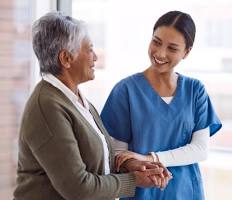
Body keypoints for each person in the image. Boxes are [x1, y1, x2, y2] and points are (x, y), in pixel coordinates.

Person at [13, 11, 172, 200]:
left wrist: (127, 165)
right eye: (89, 49)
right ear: (66, 59)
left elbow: (95, 158)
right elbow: (79, 189)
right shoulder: (47, 107)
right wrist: (133, 180)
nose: (95, 57)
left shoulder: (75, 99)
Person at [101, 10, 222, 200]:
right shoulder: (125, 91)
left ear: (186, 52)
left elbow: (200, 149)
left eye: (172, 48)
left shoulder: (195, 90)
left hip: (186, 192)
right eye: (156, 42)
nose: (160, 53)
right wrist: (139, 164)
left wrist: (151, 158)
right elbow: (118, 155)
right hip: (141, 193)